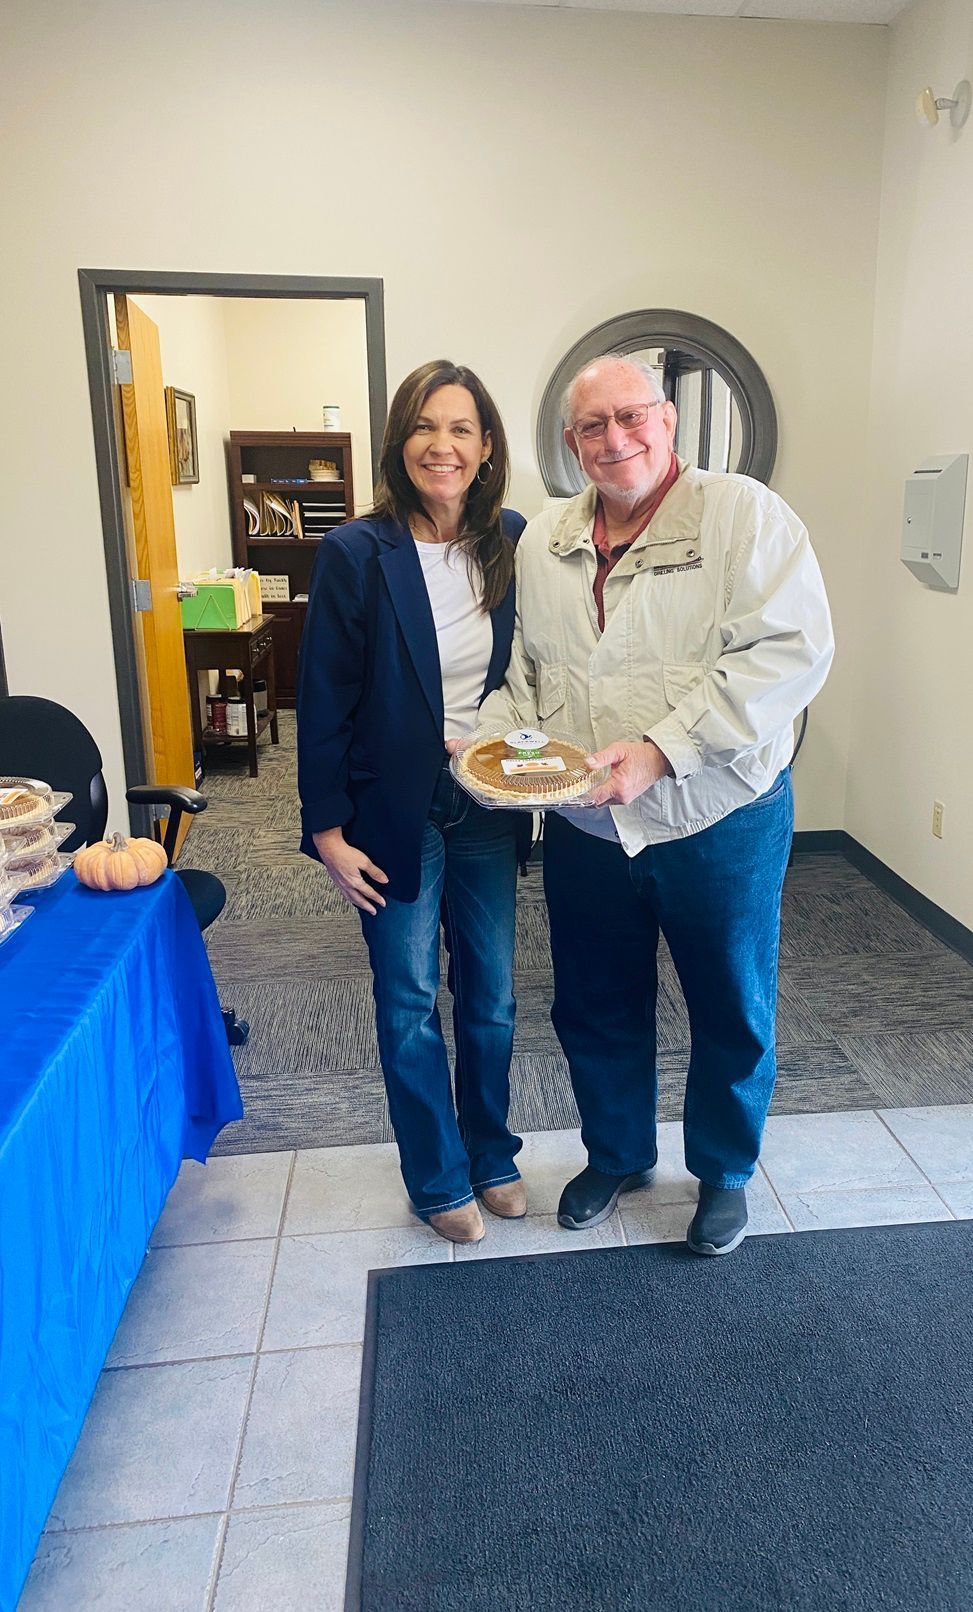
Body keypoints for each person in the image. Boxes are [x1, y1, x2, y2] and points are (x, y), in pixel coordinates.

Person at [478, 354, 834, 1256]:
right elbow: (526, 673)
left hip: (717, 818)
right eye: (592, 427)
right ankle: (617, 1153)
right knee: (594, 1003)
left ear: (666, 420)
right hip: (587, 824)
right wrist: (491, 741)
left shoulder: (743, 516)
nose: (614, 440)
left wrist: (661, 750)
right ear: (570, 443)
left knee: (729, 1002)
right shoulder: (545, 539)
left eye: (631, 418)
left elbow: (785, 657)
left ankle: (722, 1172)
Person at [297, 361, 528, 1244]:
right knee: (407, 997)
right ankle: (436, 1177)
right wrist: (325, 830)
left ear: (486, 446)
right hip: (389, 807)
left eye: (462, 428)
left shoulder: (509, 540)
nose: (444, 444)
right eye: (426, 427)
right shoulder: (358, 551)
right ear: (401, 443)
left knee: (494, 996)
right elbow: (321, 699)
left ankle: (492, 1153)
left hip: (486, 798)